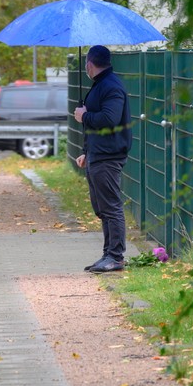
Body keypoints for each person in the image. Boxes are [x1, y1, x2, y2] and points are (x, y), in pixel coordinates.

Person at [73, 45, 132, 273]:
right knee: (102, 207)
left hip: (109, 155)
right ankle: (108, 253)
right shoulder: (101, 86)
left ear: (89, 64)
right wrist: (87, 152)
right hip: (98, 154)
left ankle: (116, 256)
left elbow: (110, 118)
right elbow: (96, 127)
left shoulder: (110, 86)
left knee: (111, 206)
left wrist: (84, 115)